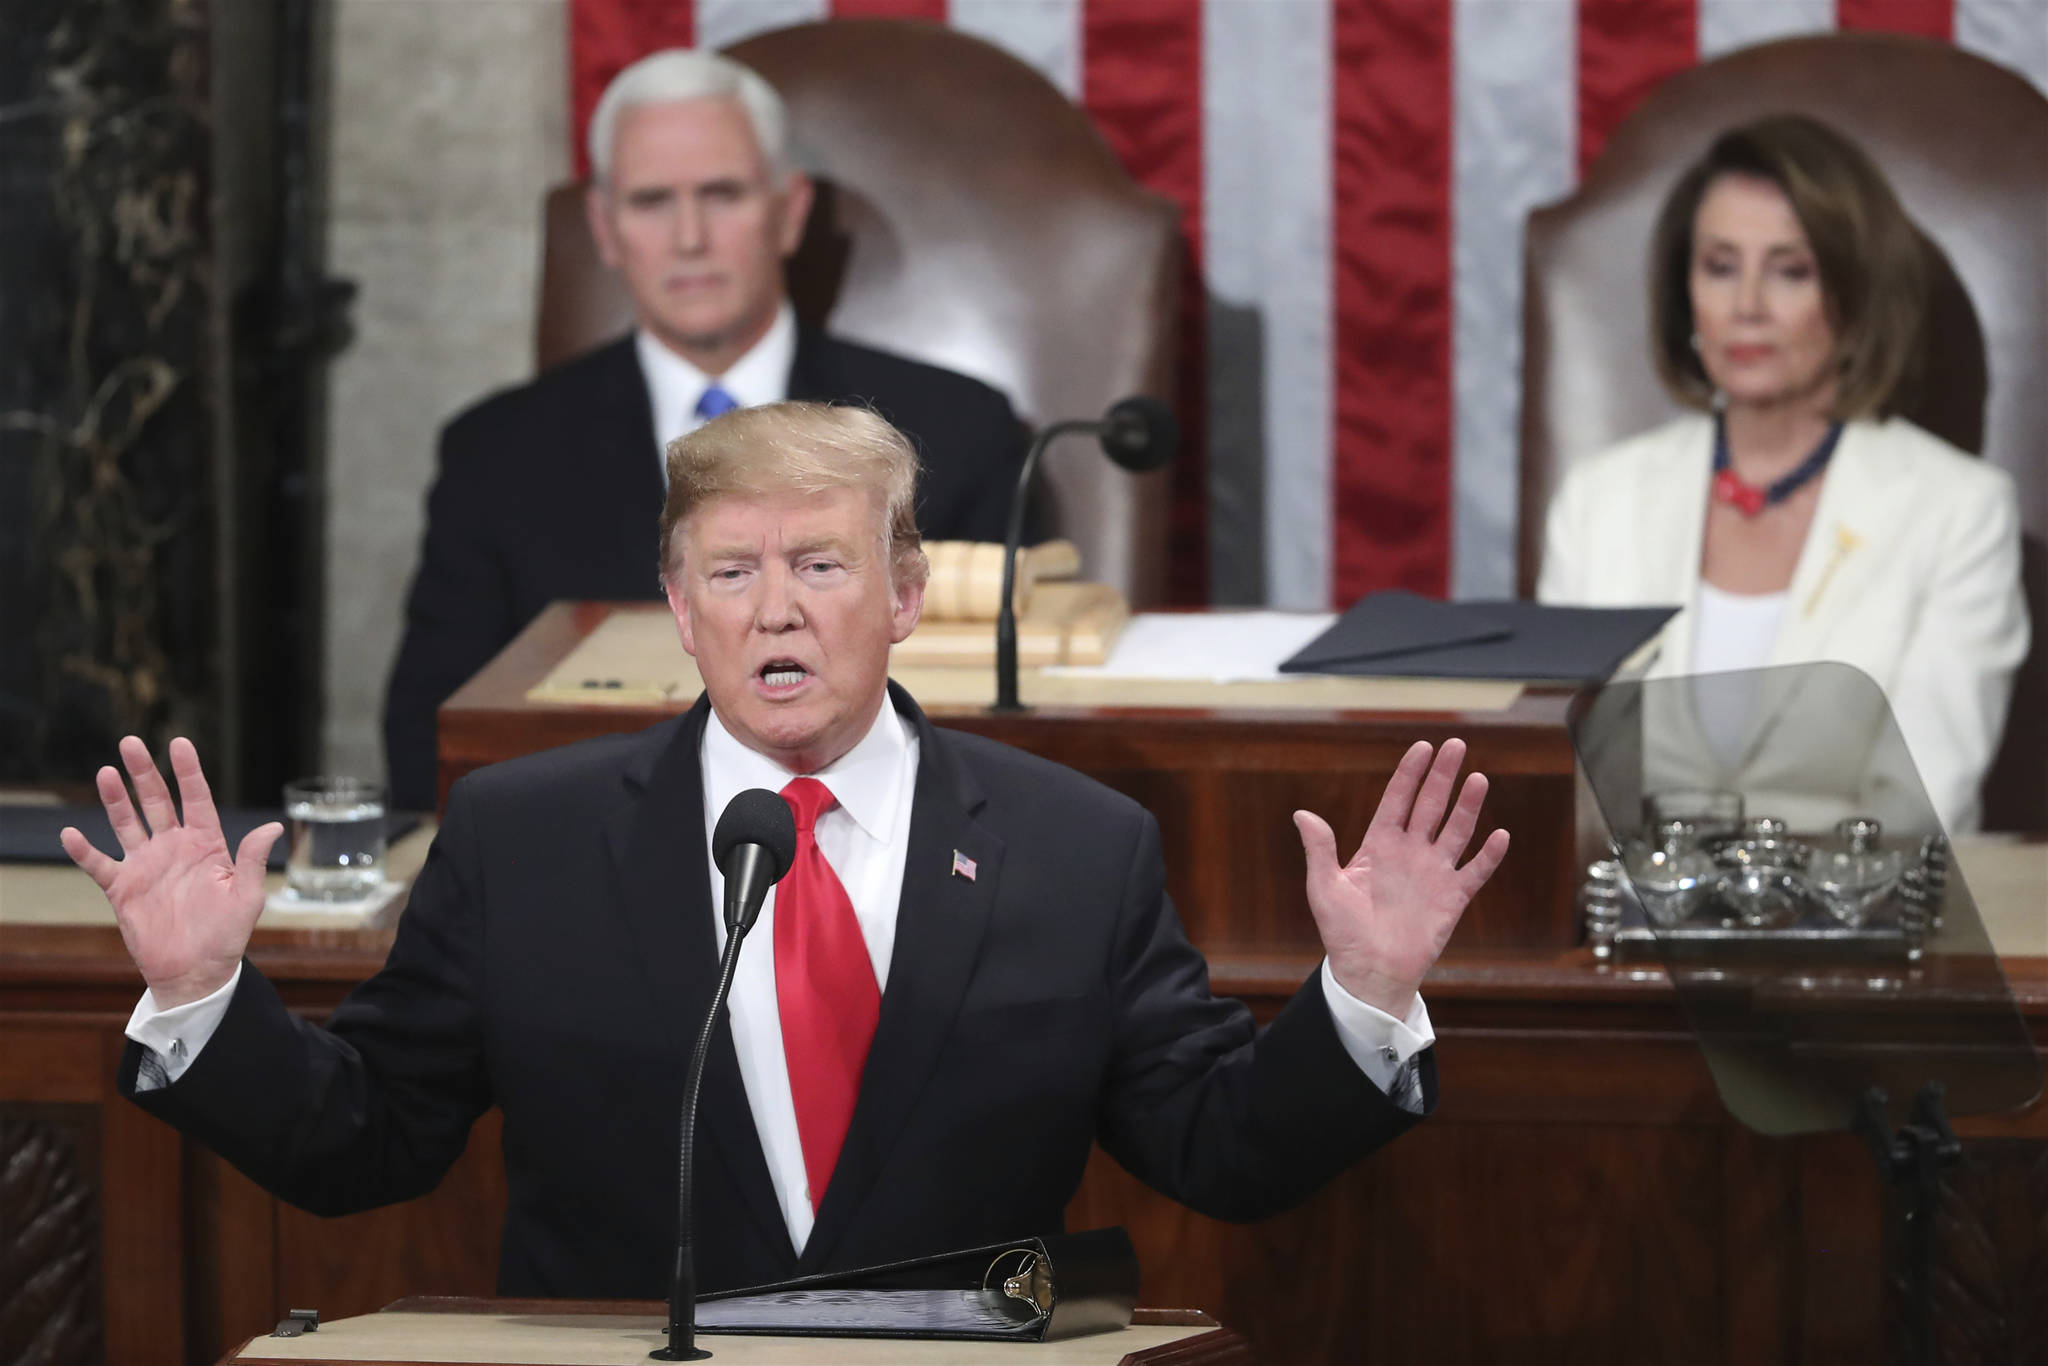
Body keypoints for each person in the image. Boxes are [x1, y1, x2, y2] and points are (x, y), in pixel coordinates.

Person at [66, 401, 1509, 1299]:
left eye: (819, 565)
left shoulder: (1079, 848)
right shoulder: (528, 838)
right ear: (678, 609)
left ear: (904, 592)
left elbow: (1223, 1147)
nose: (776, 612)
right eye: (732, 572)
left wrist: (1364, 996)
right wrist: (201, 997)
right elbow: (362, 1139)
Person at [383, 48, 1029, 812]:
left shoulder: (954, 432)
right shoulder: (495, 454)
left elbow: (1003, 738)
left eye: (721, 194)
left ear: (788, 212)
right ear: (604, 226)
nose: (689, 237)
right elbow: (429, 743)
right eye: (652, 202)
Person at [1538, 114, 2028, 834]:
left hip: (1854, 931)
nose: (1748, 308)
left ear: (1855, 295)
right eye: (1720, 266)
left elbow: (1923, 805)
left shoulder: (1959, 511)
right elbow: (1568, 781)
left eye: (1790, 271)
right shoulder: (1600, 499)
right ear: (1687, 295)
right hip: (1628, 925)